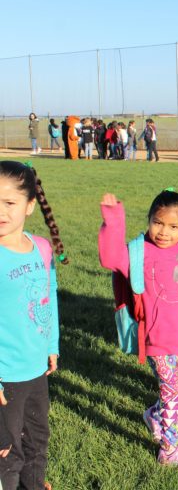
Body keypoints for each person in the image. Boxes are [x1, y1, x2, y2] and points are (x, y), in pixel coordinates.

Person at [99, 190, 178, 465]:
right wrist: (113, 221)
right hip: (156, 339)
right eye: (157, 222)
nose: (164, 232)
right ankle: (170, 448)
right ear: (149, 219)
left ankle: (153, 415)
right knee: (172, 394)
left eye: (173, 226)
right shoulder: (138, 251)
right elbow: (110, 258)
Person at [0, 161, 67, 489]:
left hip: (36, 369)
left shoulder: (40, 247)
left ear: (29, 206)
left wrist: (51, 345)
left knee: (37, 442)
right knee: (6, 452)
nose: (0, 210)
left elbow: (47, 299)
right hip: (4, 376)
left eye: (9, 203)